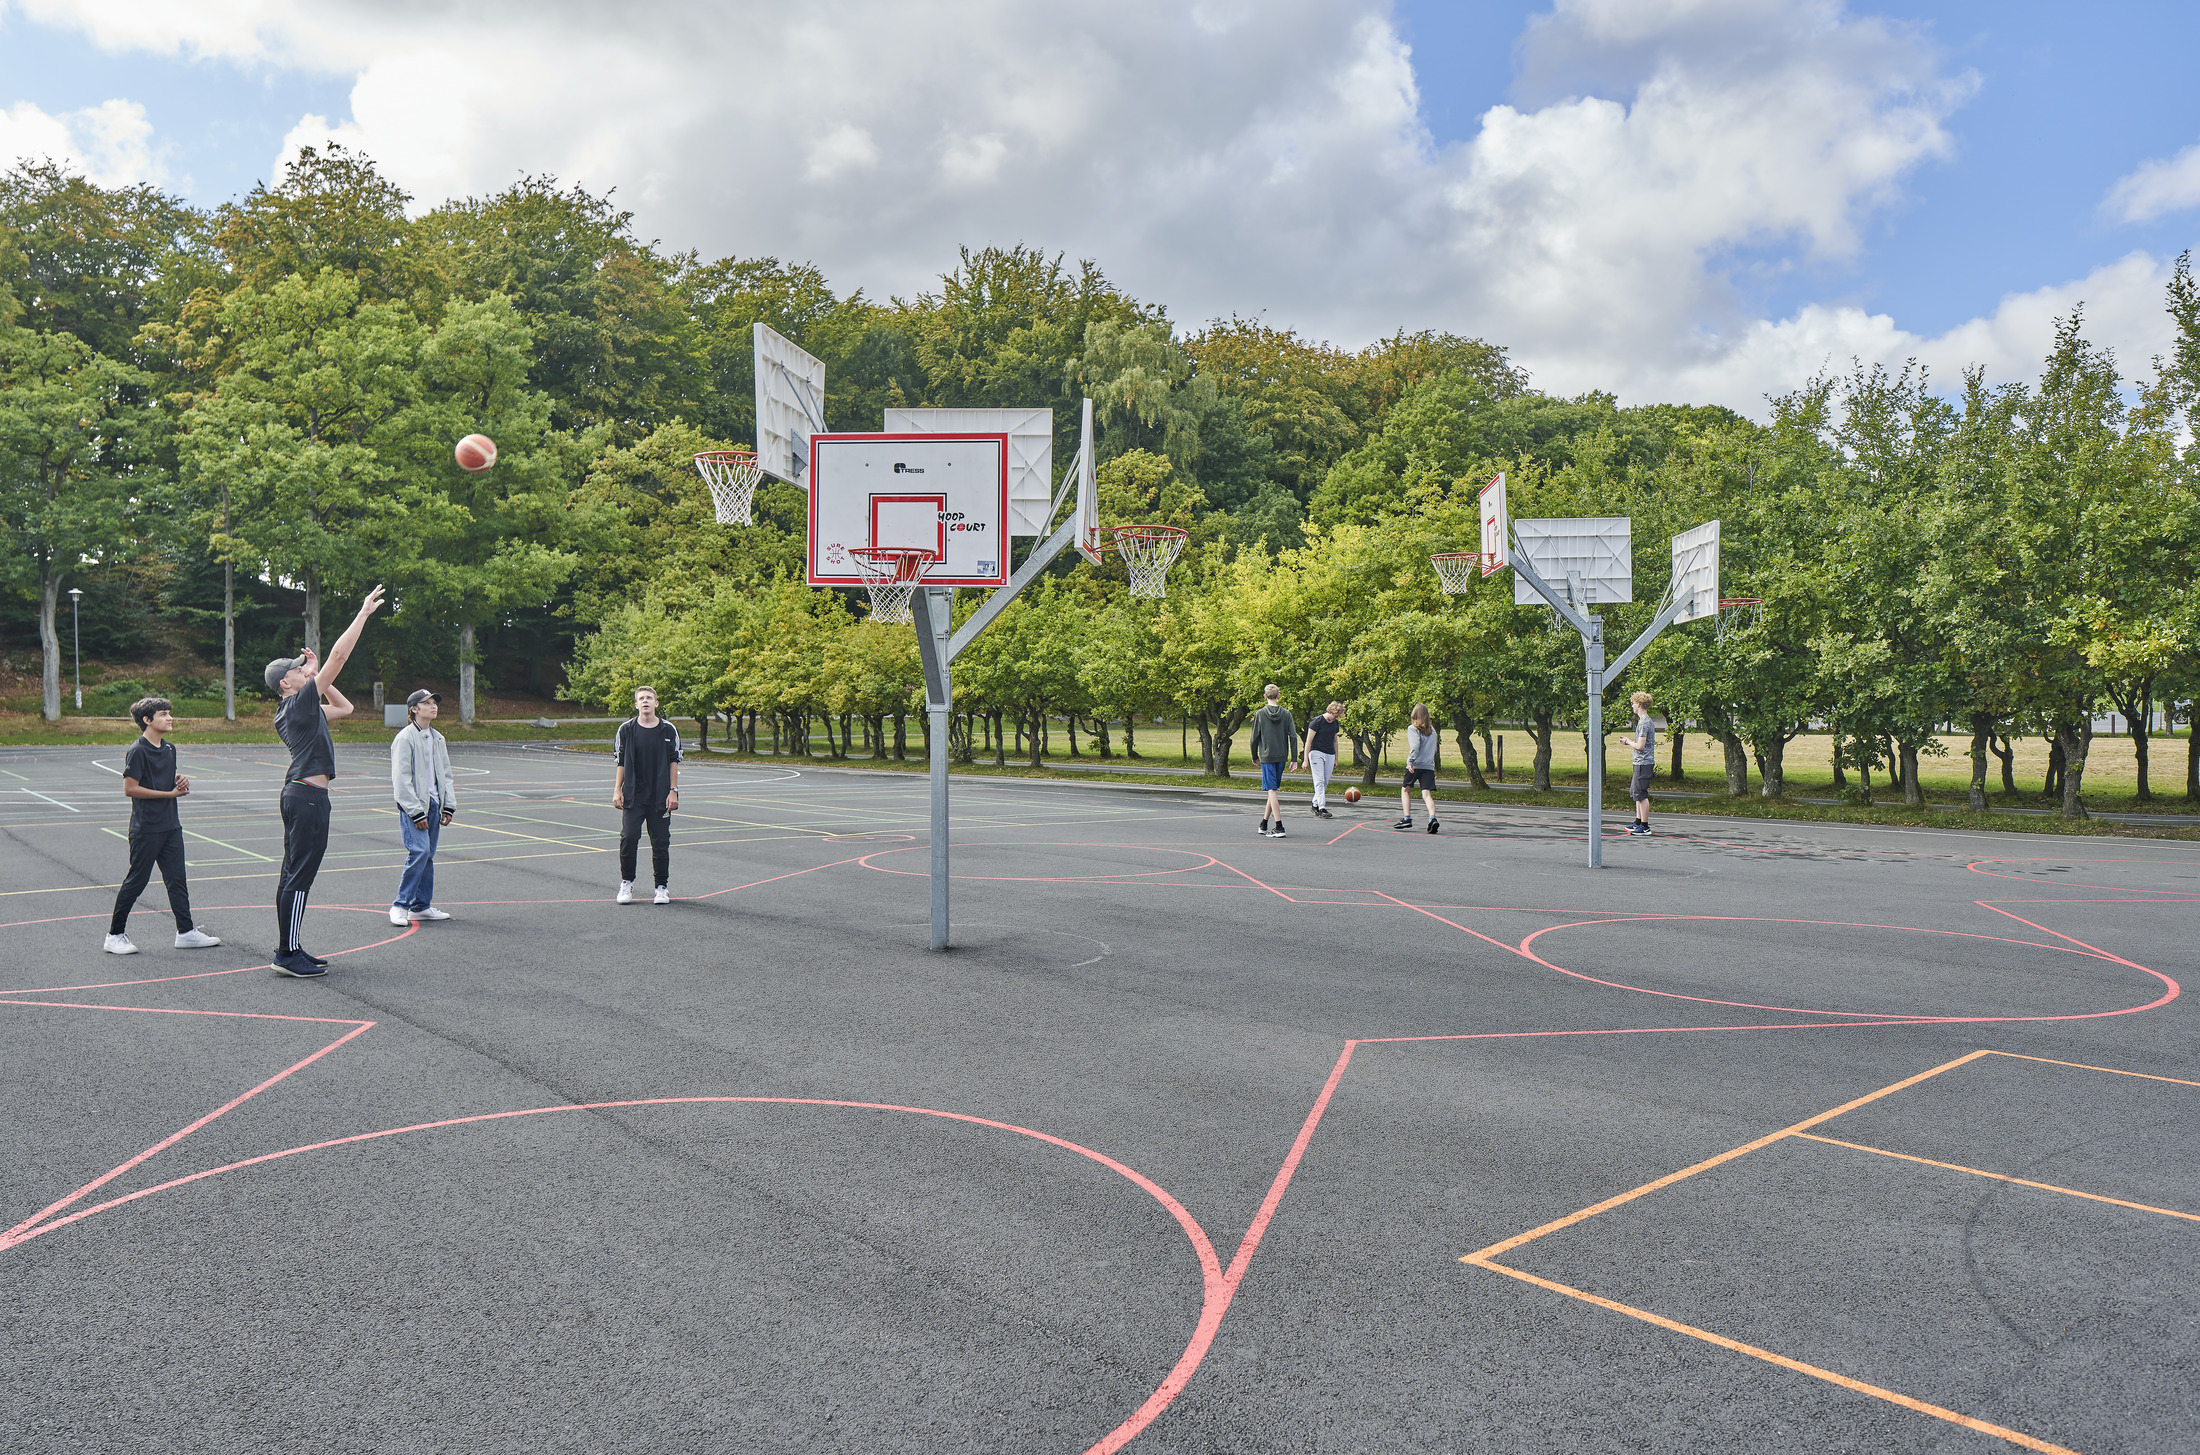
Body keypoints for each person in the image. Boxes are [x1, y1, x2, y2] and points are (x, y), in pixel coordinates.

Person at [264, 585, 384, 977]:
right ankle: (286, 954)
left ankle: (291, 947)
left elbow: (344, 708)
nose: (305, 672)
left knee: (292, 873)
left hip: (302, 794)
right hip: (306, 796)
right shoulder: (298, 704)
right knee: (299, 875)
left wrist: (317, 676)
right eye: (299, 671)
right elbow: (339, 655)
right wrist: (362, 614)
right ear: (286, 683)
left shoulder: (300, 708)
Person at [104, 696, 222, 955]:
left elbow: (164, 781)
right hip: (146, 828)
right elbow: (130, 788)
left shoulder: (169, 749)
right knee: (137, 881)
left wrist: (179, 782)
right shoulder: (137, 750)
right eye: (163, 714)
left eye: (169, 713)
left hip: (171, 826)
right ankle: (114, 935)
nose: (170, 718)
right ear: (147, 720)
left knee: (177, 879)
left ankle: (186, 932)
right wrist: (170, 795)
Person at [389, 689, 458, 926]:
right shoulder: (405, 738)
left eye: (434, 703)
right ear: (414, 709)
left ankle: (421, 907)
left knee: (428, 855)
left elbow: (446, 775)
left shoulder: (438, 738)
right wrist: (415, 810)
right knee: (419, 852)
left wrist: (448, 806)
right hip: (415, 807)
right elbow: (401, 778)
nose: (433, 706)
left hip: (434, 805)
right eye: (426, 703)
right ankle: (400, 905)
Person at [612, 686, 681, 903]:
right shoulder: (626, 730)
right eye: (641, 698)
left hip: (660, 797)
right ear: (636, 704)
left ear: (656, 703)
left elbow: (673, 762)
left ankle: (661, 887)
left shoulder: (668, 730)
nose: (645, 701)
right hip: (633, 796)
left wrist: (673, 792)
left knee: (660, 842)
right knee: (629, 838)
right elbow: (621, 762)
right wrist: (617, 790)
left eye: (649, 698)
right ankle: (627, 884)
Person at [1248, 683, 1297, 838]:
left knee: (1272, 790)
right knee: (1273, 789)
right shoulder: (1287, 714)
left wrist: (1254, 755)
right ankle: (1263, 823)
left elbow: (1254, 738)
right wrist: (1294, 758)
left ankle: (1279, 826)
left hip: (1267, 756)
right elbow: (1293, 737)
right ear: (1279, 695)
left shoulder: (1260, 714)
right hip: (1281, 755)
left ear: (1265, 696)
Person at [1394, 703, 1441, 833]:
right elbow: (1434, 749)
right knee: (1426, 793)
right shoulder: (1432, 731)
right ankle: (1432, 818)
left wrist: (1410, 761)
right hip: (1428, 766)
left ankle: (1407, 818)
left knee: (1405, 790)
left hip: (1415, 765)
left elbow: (1415, 746)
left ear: (1414, 715)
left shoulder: (1412, 729)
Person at [1621, 690, 1658, 836]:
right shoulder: (1643, 722)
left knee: (1641, 794)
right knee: (1636, 792)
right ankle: (1637, 821)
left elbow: (1641, 746)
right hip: (1639, 762)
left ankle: (1645, 825)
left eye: (1633, 704)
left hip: (1644, 762)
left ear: (1639, 704)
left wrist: (1628, 741)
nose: (1632, 706)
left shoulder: (1644, 723)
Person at [1302, 701, 1343, 819]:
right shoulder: (1317, 721)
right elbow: (1308, 741)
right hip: (1316, 753)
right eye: (1335, 715)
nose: (1336, 718)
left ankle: (1315, 804)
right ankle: (1322, 807)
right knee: (1319, 781)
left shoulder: (1335, 724)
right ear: (1330, 711)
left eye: (1338, 716)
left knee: (1325, 781)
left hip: (1329, 753)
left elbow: (1335, 741)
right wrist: (1305, 759)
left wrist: (1336, 758)